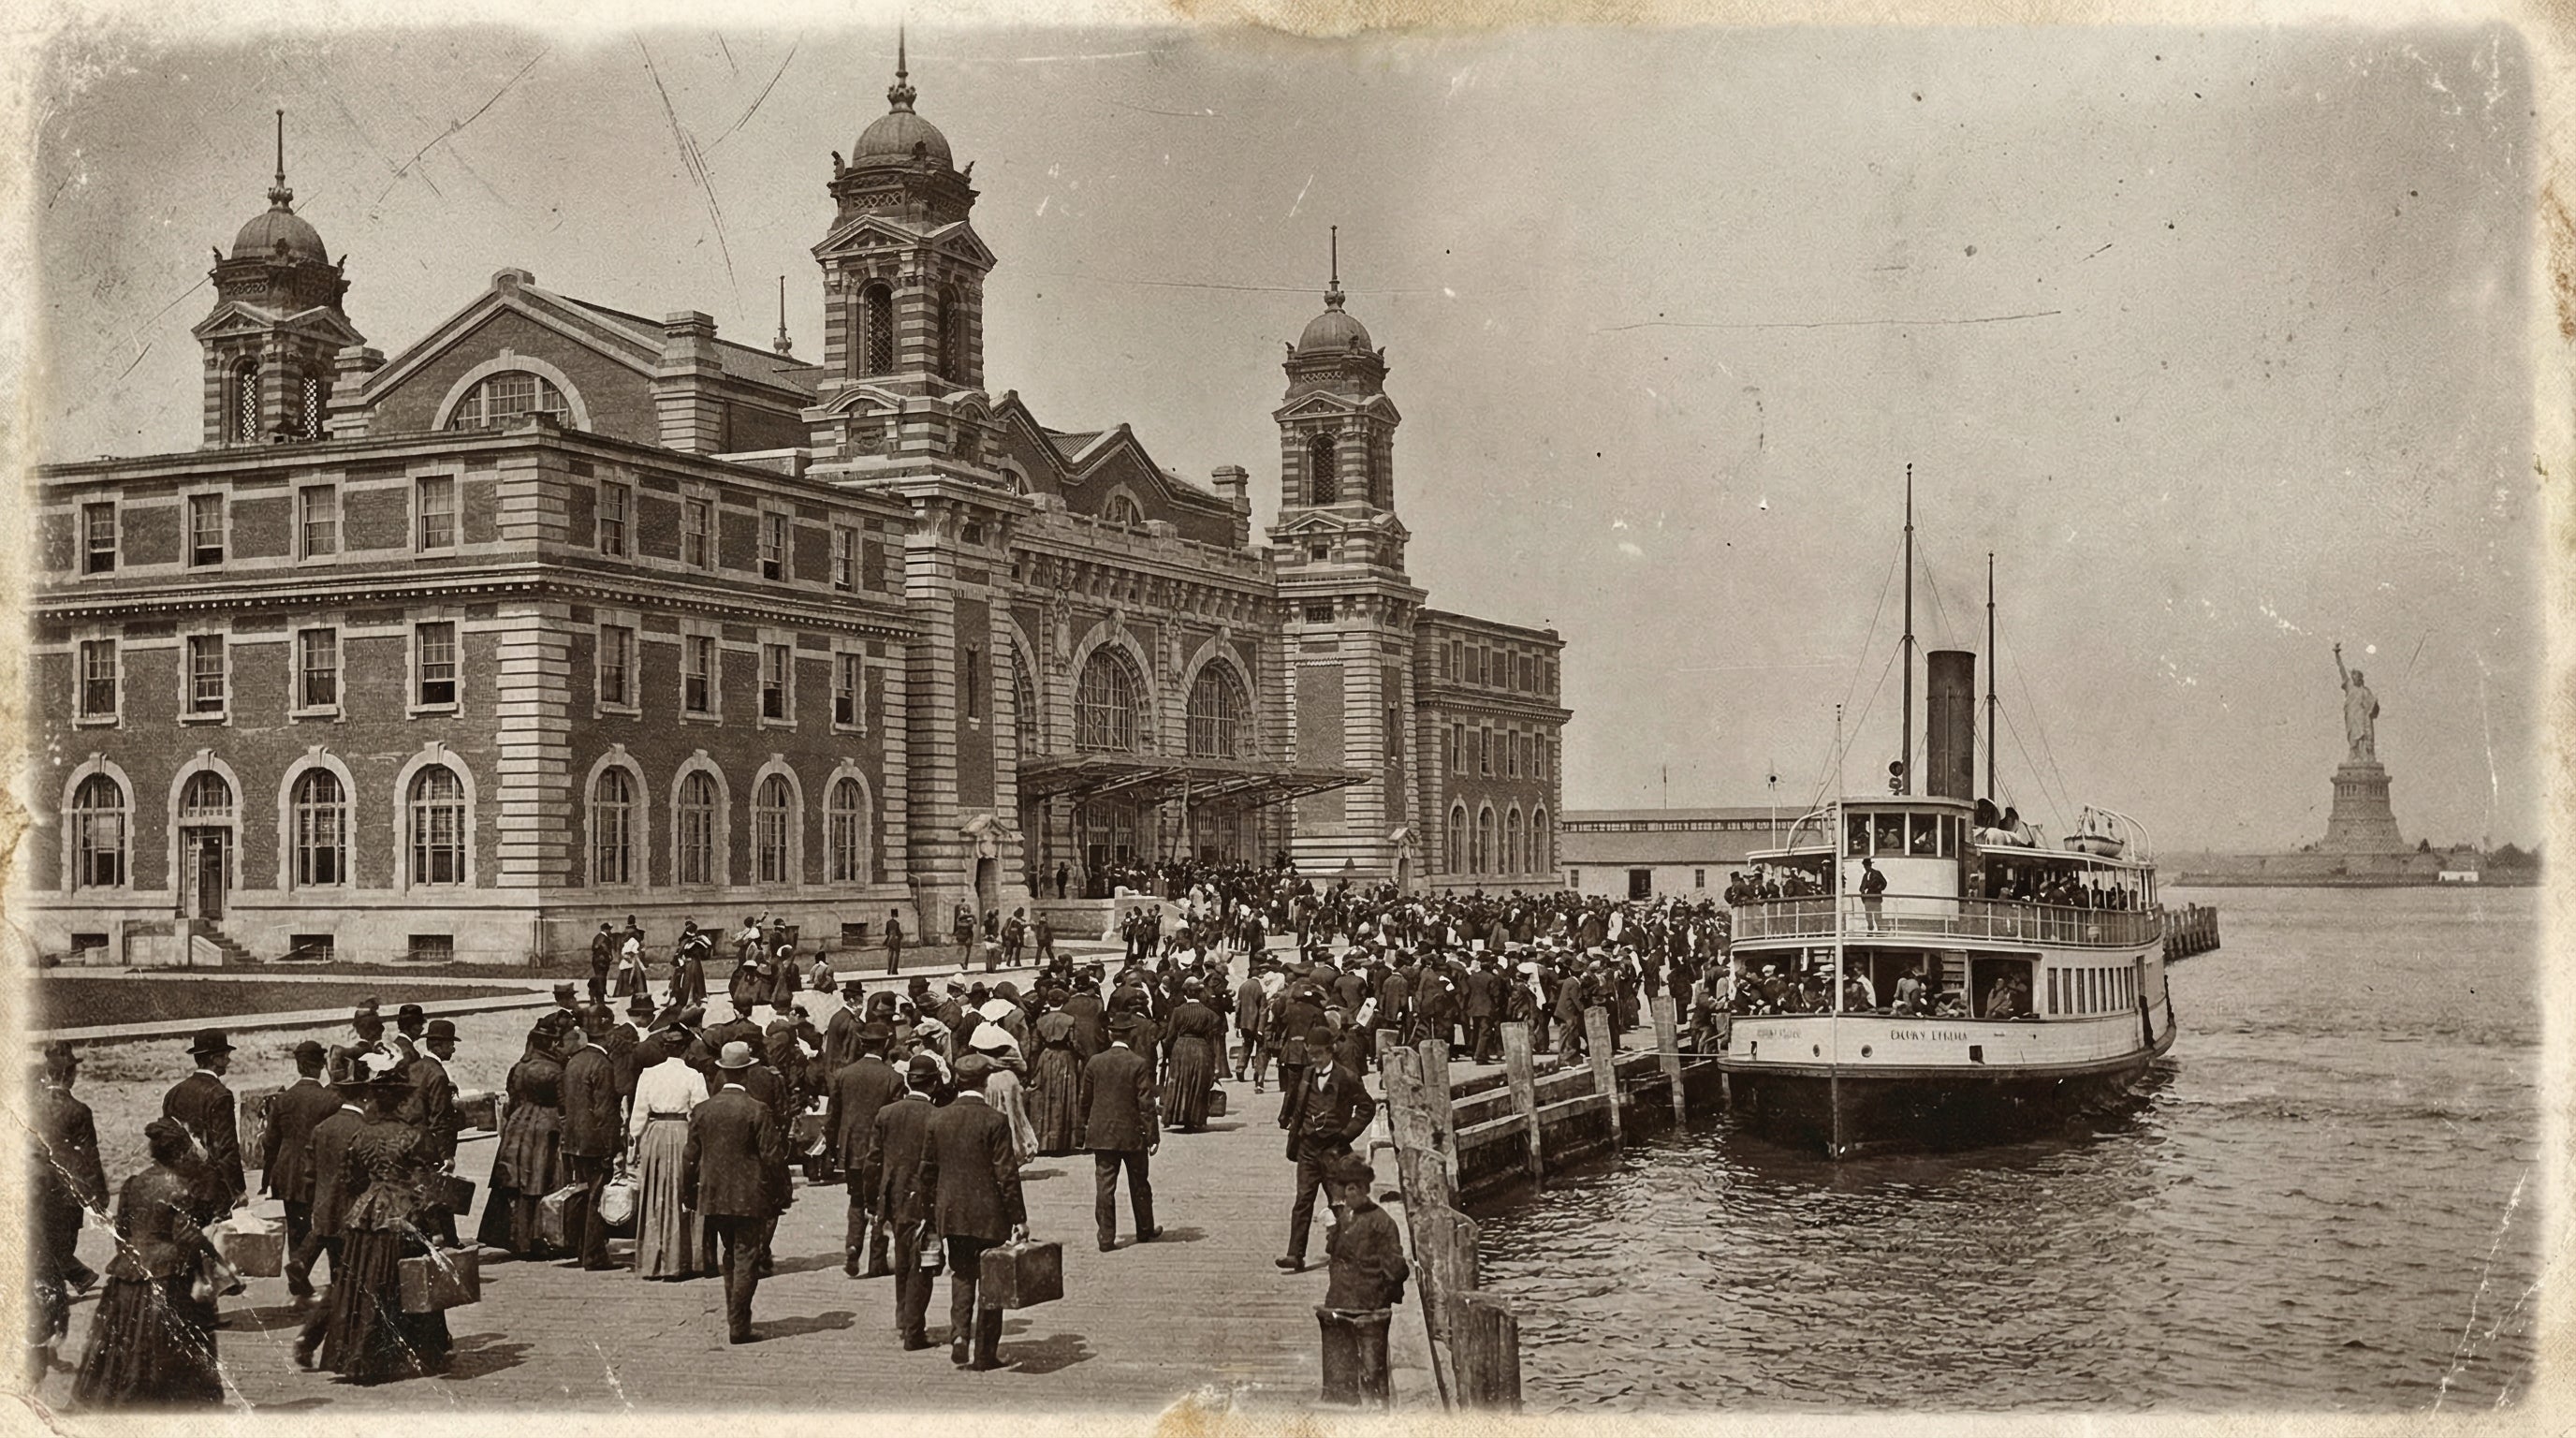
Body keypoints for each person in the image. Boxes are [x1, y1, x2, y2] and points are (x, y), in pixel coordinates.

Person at [297, 1051, 452, 1383]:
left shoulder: (362, 1135)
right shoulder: (414, 1135)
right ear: (400, 1102)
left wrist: (369, 1198)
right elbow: (427, 1186)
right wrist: (437, 1229)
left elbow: (352, 1178)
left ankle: (357, 1353)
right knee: (410, 1282)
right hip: (404, 1213)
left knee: (362, 1282)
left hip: (367, 1213)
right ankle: (419, 1352)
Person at [71, 1120, 223, 1408]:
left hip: (127, 1275)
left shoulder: (133, 1184)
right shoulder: (181, 1189)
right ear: (179, 1155)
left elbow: (121, 1233)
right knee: (166, 1354)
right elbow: (184, 1237)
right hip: (165, 1278)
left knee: (121, 1351)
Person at [919, 1053, 1028, 1371]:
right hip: (990, 1215)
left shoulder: (938, 1118)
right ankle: (985, 1354)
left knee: (962, 1275)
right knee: (991, 1283)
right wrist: (1019, 1217)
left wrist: (931, 1214)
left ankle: (959, 1336)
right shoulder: (994, 1121)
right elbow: (1006, 1174)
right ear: (984, 1082)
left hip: (952, 1214)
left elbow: (927, 1172)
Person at [683, 1043, 790, 1344]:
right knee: (746, 1256)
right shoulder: (757, 1110)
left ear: (724, 1070)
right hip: (749, 1196)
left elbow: (690, 1156)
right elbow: (772, 1157)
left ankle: (736, 1316)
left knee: (730, 1254)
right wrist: (781, 1193)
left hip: (713, 1195)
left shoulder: (703, 1110)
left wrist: (689, 1194)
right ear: (746, 1072)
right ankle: (738, 1324)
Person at [28, 1044, 106, 1375]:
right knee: (56, 1265)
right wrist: (98, 1199)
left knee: (37, 1265)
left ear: (47, 1074)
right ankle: (48, 1348)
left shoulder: (28, 1106)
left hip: (31, 1193)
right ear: (69, 1075)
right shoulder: (79, 1111)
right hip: (64, 1197)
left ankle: (38, 1350)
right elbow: (90, 1160)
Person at [1278, 1024, 1376, 1272]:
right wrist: (1288, 1123)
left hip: (1334, 1149)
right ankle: (1295, 1254)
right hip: (1308, 1148)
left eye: (1320, 1054)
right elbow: (1295, 1102)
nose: (1315, 1059)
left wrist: (1346, 1134)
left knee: (1339, 1202)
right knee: (1303, 1201)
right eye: (1311, 1054)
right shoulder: (1307, 1075)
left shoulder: (1347, 1077)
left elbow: (1366, 1108)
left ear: (1330, 1052)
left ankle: (1346, 1253)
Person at [628, 1028, 718, 1280]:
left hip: (654, 1134)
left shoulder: (649, 1075)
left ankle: (653, 1260)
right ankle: (682, 1260)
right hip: (682, 1133)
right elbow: (700, 1111)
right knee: (683, 1192)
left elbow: (639, 1112)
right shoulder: (694, 1076)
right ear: (686, 1049)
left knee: (656, 1193)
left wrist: (635, 1140)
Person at [477, 1016, 568, 1256]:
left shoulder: (519, 1067)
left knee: (516, 1182)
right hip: (544, 1127)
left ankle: (516, 1237)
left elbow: (513, 1098)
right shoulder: (555, 1069)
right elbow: (563, 1105)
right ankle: (539, 1238)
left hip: (518, 1125)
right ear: (550, 1044)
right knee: (540, 1181)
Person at [260, 1040, 341, 1302]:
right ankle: (336, 1285)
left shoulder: (283, 1099)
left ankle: (299, 1290)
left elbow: (270, 1142)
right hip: (318, 1173)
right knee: (327, 1228)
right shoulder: (331, 1099)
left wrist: (267, 1180)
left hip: (287, 1174)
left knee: (297, 1229)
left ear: (298, 1066)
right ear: (322, 1066)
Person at [873, 1055, 944, 1350]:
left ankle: (903, 1316)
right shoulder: (938, 1116)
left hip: (893, 1197)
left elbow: (873, 1162)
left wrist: (872, 1203)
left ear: (907, 1080)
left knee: (903, 1259)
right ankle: (914, 1331)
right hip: (924, 1200)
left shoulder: (886, 1114)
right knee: (923, 1265)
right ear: (935, 1083)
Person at [827, 1025, 905, 1278]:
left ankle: (853, 1243)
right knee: (883, 1203)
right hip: (881, 1150)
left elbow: (833, 1115)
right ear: (884, 1045)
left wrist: (831, 1146)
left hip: (852, 1149)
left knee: (857, 1199)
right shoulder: (893, 1077)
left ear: (861, 1043)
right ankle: (876, 1261)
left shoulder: (843, 1075)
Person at [1078, 1016, 1160, 1252]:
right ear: (1131, 1036)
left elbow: (1085, 1099)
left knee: (1104, 1186)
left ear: (1111, 1035)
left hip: (1102, 1133)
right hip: (1132, 1134)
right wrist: (1153, 1136)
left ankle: (1106, 1237)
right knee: (1140, 1183)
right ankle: (1145, 1229)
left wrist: (1084, 1126)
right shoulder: (1138, 1063)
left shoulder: (1095, 1062)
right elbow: (1146, 1104)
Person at [285, 1071, 366, 1305]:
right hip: (352, 1210)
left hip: (323, 1208)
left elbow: (310, 1173)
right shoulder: (363, 1128)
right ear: (364, 1099)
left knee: (333, 1255)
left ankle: (302, 1263)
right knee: (346, 1267)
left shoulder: (322, 1128)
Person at [560, 1011, 623, 1271]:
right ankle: (594, 1254)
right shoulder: (602, 1065)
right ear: (607, 1035)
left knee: (583, 1195)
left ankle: (580, 1248)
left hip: (574, 1140)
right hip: (595, 1142)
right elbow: (604, 1112)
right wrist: (612, 1147)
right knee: (597, 1197)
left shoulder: (574, 1061)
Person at [160, 1030, 243, 1225]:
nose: (228, 1062)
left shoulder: (174, 1093)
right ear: (215, 1059)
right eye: (226, 1056)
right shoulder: (220, 1095)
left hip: (181, 1182)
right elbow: (227, 1147)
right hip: (213, 1186)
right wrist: (238, 1190)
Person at [1321, 1152, 1409, 1312]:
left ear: (1365, 1188)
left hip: (1369, 1305)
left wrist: (1381, 1297)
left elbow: (1396, 1268)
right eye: (1347, 1188)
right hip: (1339, 1301)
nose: (1350, 1194)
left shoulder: (1381, 1222)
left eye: (1355, 1188)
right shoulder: (1344, 1217)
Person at [405, 1019, 465, 1244]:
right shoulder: (438, 1075)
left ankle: (442, 1238)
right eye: (450, 1044)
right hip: (430, 1144)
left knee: (421, 1192)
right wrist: (447, 1155)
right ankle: (446, 1239)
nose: (453, 1048)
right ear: (438, 1046)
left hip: (412, 1140)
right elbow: (439, 1118)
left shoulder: (415, 1068)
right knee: (439, 1192)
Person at [1160, 981, 1223, 1132]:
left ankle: (1177, 1115)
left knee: (1180, 1081)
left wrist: (1168, 1051)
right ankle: (1195, 1118)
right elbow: (1216, 1030)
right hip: (1201, 1047)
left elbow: (1170, 1036)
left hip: (1181, 1047)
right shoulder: (1208, 1012)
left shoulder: (1178, 1011)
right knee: (1198, 1082)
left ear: (1186, 993)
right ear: (1200, 993)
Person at [590, 921, 617, 1005]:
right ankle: (600, 999)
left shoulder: (597, 937)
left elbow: (594, 947)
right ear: (605, 930)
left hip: (598, 961)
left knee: (600, 979)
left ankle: (596, 998)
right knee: (601, 979)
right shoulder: (603, 937)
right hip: (602, 962)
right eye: (609, 930)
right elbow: (599, 946)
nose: (610, 932)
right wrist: (609, 954)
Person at [886, 910, 907, 976]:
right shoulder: (897, 923)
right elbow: (899, 932)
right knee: (896, 955)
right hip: (896, 941)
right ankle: (894, 970)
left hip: (889, 940)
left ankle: (889, 970)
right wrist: (901, 936)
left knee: (890, 955)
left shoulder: (888, 922)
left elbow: (886, 932)